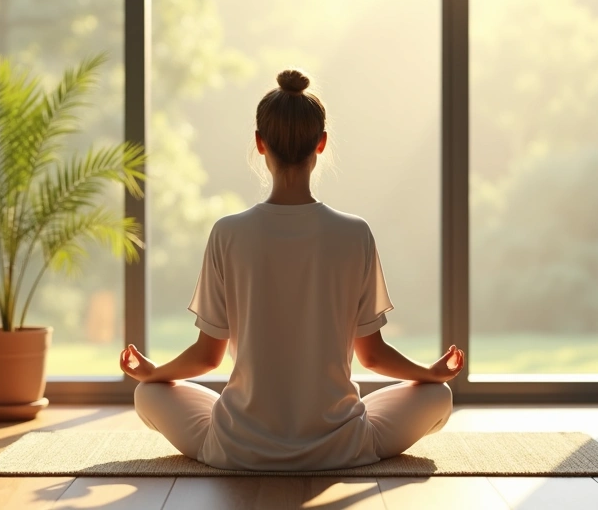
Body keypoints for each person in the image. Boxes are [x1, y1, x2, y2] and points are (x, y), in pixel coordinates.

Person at [119, 69, 464, 471]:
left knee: (148, 393)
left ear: (259, 144)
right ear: (321, 143)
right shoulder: (354, 234)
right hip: (341, 446)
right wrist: (429, 373)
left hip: (238, 446)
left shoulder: (227, 233)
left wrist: (154, 372)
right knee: (438, 397)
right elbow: (371, 354)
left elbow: (207, 357)